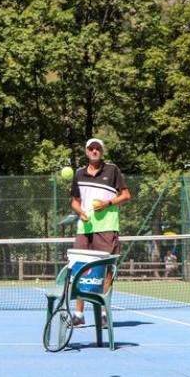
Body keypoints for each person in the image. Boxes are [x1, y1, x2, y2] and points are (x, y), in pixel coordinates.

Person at [69, 138, 131, 328]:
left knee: (106, 272)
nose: (94, 151)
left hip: (107, 228)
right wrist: (80, 213)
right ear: (86, 152)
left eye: (97, 148)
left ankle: (104, 314)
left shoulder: (112, 170)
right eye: (91, 148)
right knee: (79, 270)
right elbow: (75, 202)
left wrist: (108, 203)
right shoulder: (79, 173)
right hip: (84, 229)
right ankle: (79, 315)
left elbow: (126, 195)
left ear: (101, 151)